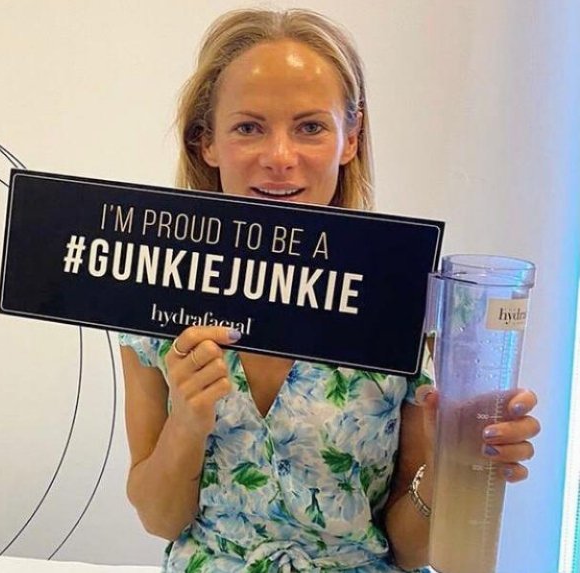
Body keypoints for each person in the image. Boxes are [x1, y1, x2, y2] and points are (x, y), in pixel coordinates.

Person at [118, 8, 541, 572]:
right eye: (248, 127)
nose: (279, 157)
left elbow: (410, 550)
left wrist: (450, 466)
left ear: (350, 138)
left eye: (310, 127)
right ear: (206, 142)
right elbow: (159, 519)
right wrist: (187, 423)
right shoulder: (154, 293)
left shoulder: (402, 301)